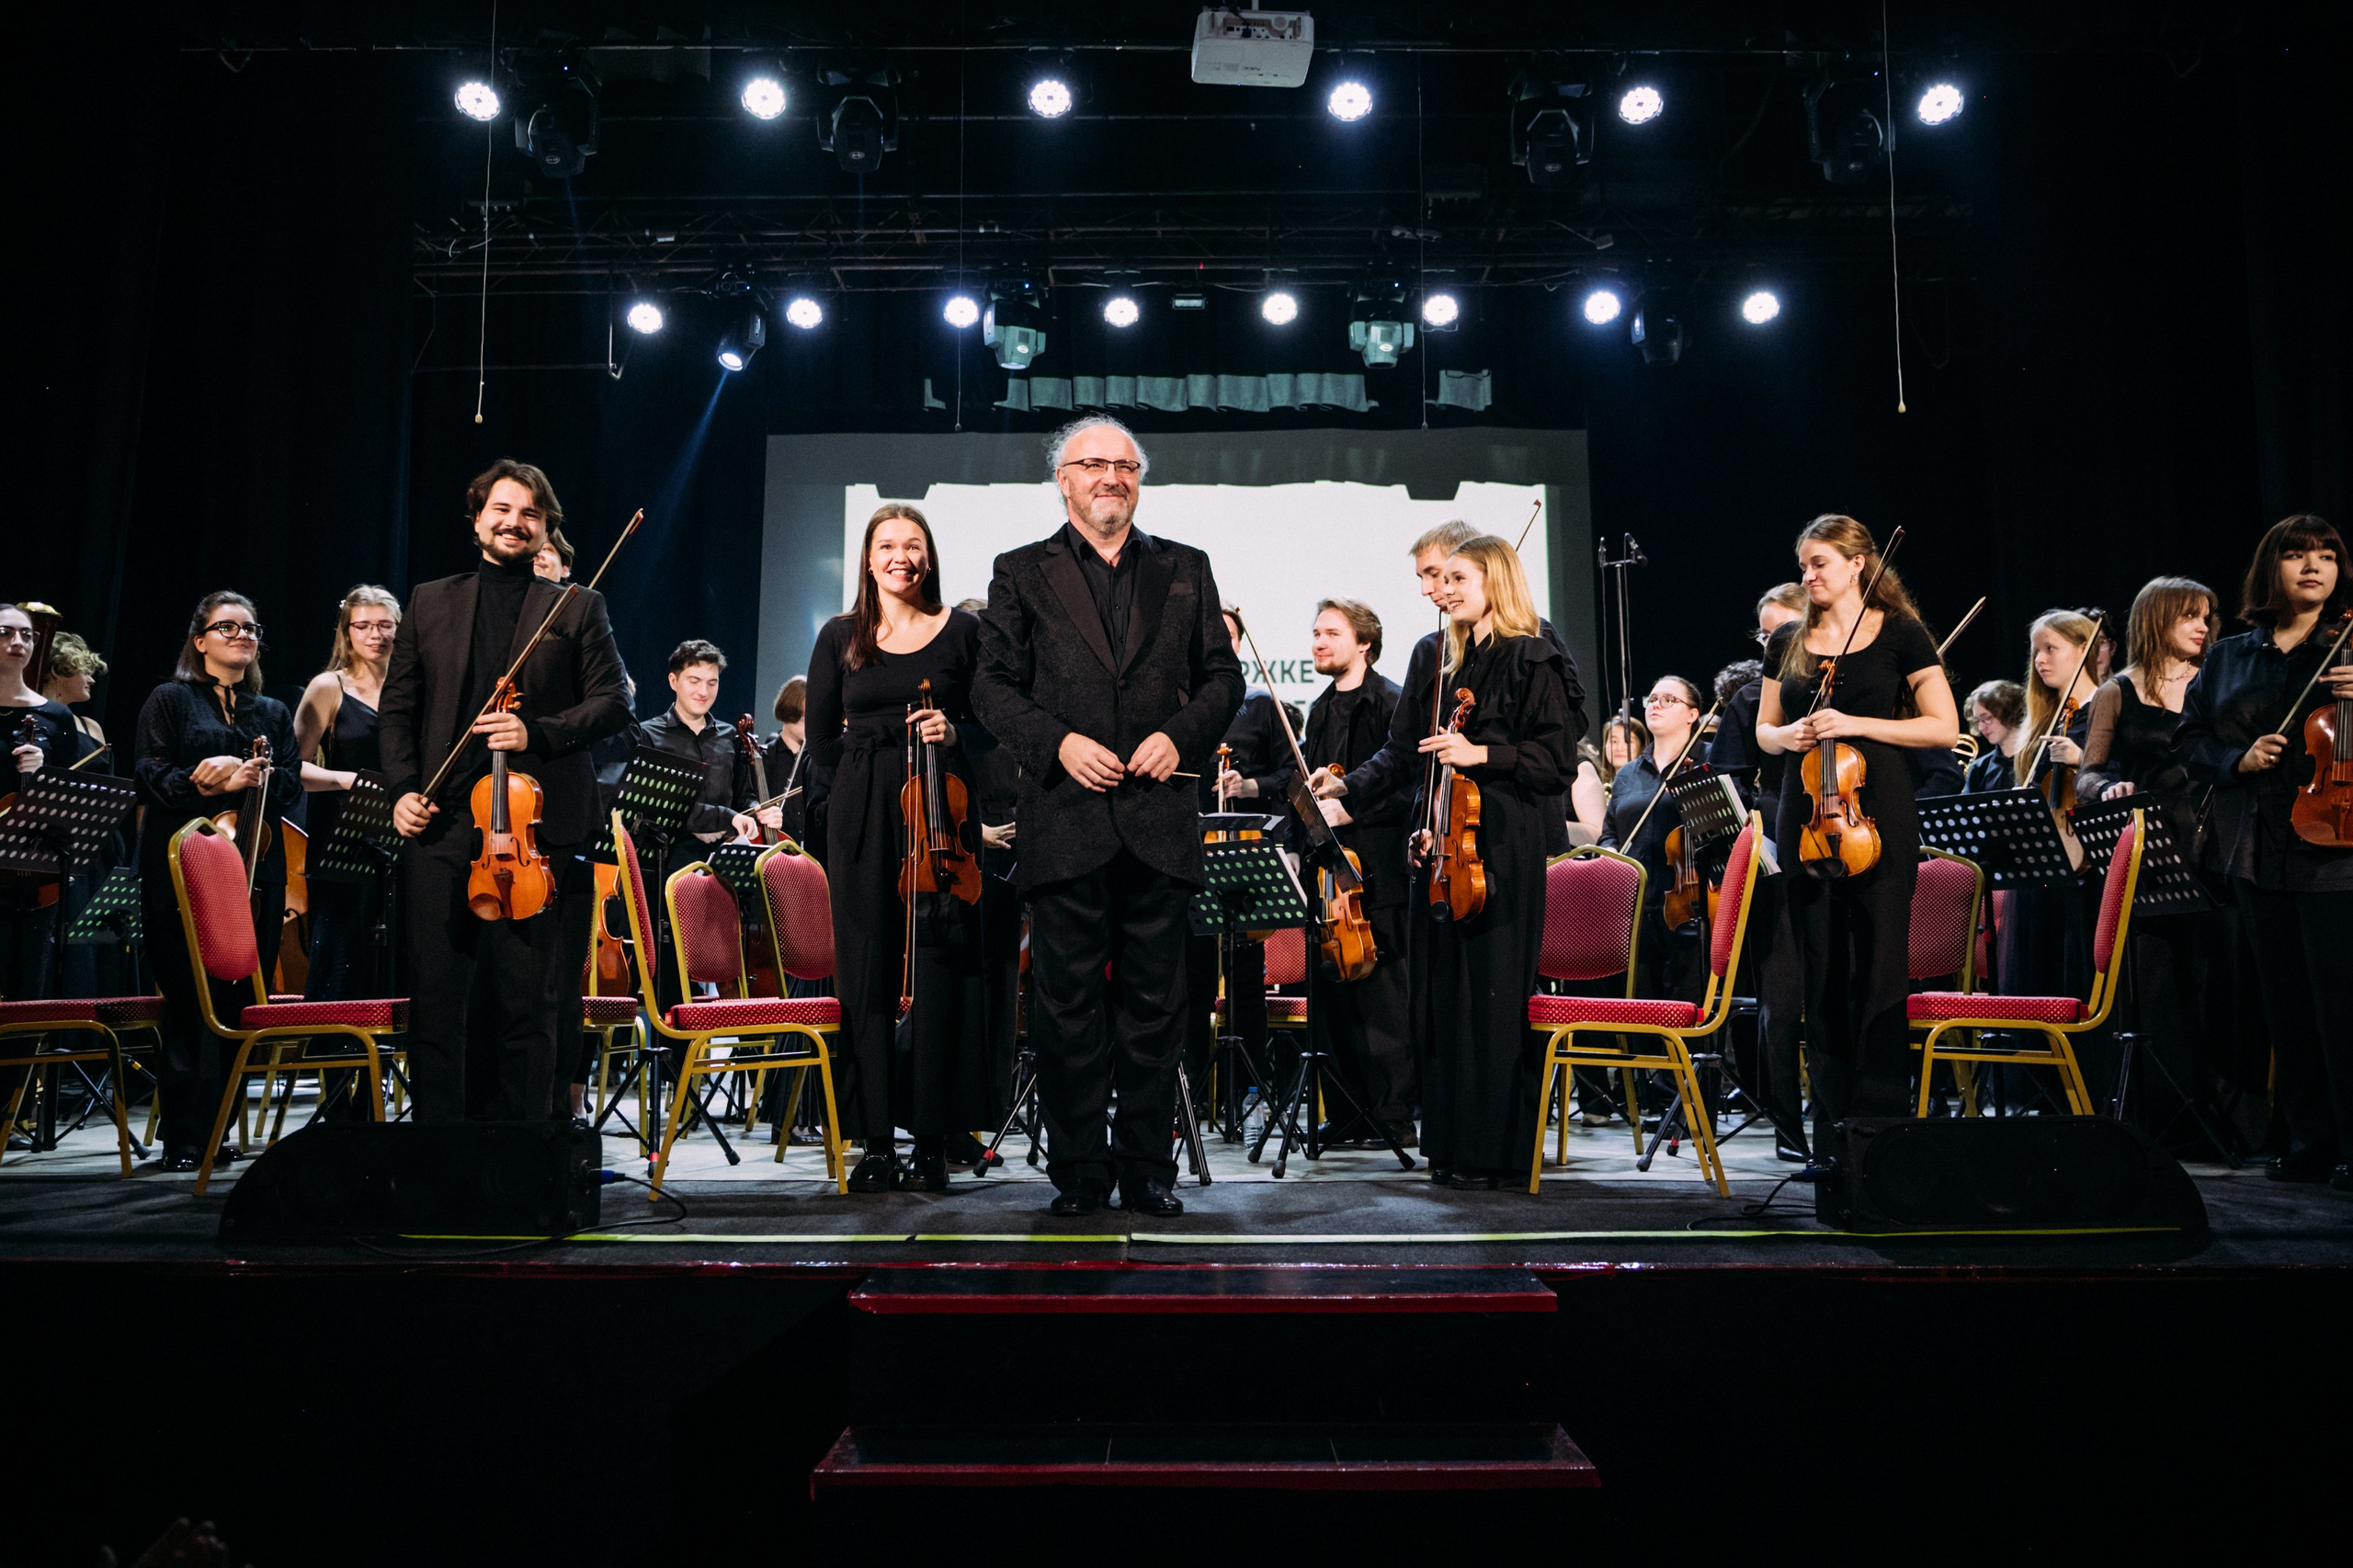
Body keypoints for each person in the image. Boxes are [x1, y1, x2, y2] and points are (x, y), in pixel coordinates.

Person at [971, 415, 1245, 1217]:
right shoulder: (1020, 572)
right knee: (1066, 1017)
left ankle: (1147, 1174)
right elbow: (991, 688)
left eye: (1126, 467)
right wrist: (1057, 744)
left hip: (1158, 822)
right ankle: (1081, 1176)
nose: (1111, 478)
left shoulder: (1187, 568)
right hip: (1065, 820)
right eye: (1094, 465)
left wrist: (1178, 735)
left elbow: (1222, 681)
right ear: (1064, 480)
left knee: (1157, 1015)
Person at [378, 459, 632, 1124]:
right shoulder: (431, 600)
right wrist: (402, 788)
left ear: (546, 527)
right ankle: (439, 1151)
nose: (514, 522)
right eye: (502, 509)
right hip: (439, 824)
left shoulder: (576, 607)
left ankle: (520, 1156)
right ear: (477, 520)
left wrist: (536, 733)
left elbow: (613, 704)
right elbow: (398, 710)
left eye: (530, 513)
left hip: (530, 828)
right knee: (437, 998)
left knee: (527, 1000)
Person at [803, 505, 995, 1192]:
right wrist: (869, 760)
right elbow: (819, 743)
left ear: (930, 557)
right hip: (862, 807)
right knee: (869, 968)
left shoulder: (963, 633)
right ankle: (876, 1140)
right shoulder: (839, 637)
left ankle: (934, 1140)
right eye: (887, 545)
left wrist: (956, 733)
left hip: (941, 810)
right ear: (868, 556)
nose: (900, 557)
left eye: (913, 546)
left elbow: (993, 726)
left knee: (941, 965)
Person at [1756, 516, 1959, 1154]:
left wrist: (1861, 723)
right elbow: (1764, 728)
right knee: (1819, 964)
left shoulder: (1901, 632)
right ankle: (1831, 1130)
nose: (1807, 575)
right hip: (1807, 806)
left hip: (1880, 805)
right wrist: (1787, 737)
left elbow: (1941, 727)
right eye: (1804, 565)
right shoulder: (1787, 639)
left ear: (1857, 565)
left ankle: (1880, 1123)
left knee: (1878, 962)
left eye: (1818, 563)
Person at [2177, 515, 2353, 1187]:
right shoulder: (2227, 657)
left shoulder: (2349, 646)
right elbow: (2189, 742)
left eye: (2327, 555)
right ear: (2269, 569)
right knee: (2287, 1005)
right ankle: (2307, 1140)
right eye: (2296, 554)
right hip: (2255, 846)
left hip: (2338, 844)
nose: (2313, 565)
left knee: (2343, 1006)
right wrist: (2235, 757)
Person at [1412, 535, 1577, 1188]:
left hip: (1508, 839)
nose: (1444, 590)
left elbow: (1556, 761)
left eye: (1458, 578)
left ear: (1495, 582)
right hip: (1460, 842)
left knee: (1497, 996)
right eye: (1441, 580)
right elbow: (1438, 763)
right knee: (1455, 997)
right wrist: (1430, 827)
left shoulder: (1533, 655)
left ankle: (1499, 1151)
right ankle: (1455, 1147)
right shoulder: (1456, 665)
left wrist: (1482, 756)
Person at [131, 592, 302, 1169]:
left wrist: (258, 778)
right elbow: (151, 777)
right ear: (199, 640)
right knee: (188, 997)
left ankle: (219, 1128)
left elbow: (290, 788)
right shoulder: (171, 699)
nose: (240, 635)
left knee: (237, 1000)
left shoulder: (272, 712)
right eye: (225, 627)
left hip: (257, 865)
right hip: (184, 866)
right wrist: (208, 784)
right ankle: (184, 1135)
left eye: (250, 627)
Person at [2078, 575, 2231, 1145]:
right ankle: (2164, 1124)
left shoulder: (2216, 682)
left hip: (2213, 850)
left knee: (2216, 985)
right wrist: (2107, 788)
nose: (2202, 626)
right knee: (2156, 990)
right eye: (2188, 615)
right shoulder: (2118, 690)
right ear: (2154, 620)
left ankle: (2222, 1116)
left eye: (2206, 615)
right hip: (2152, 858)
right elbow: (2090, 773)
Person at [1267, 597, 1415, 1146]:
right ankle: (1348, 1110)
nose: (1318, 643)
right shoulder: (1322, 709)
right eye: (1315, 633)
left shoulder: (1392, 704)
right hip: (1329, 876)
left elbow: (1408, 786)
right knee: (1333, 998)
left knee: (1382, 997)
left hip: (1377, 869)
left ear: (1364, 643)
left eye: (1331, 633)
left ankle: (1393, 1113)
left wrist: (1351, 808)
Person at [292, 585, 402, 1006]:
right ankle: (333, 1061)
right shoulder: (328, 686)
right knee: (343, 952)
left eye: (385, 625)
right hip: (345, 831)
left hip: (401, 829)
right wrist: (347, 780)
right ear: (347, 632)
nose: (375, 635)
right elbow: (294, 769)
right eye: (364, 626)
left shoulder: (413, 688)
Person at [1999, 609, 2101, 1019]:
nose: (2040, 660)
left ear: (2083, 650)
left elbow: (2124, 778)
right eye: (2035, 651)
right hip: (2039, 860)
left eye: (2051, 649)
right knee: (2034, 970)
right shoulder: (2043, 717)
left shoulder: (2105, 706)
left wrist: (2083, 758)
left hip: (2086, 862)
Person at [1600, 676, 1711, 1002]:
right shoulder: (1628, 774)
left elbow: (1723, 830)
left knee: (1686, 1002)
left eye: (1669, 699)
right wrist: (1610, 855)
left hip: (1689, 903)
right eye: (1652, 698)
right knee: (1639, 1003)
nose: (1656, 704)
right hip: (1634, 907)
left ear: (1692, 714)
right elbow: (1610, 832)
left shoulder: (1709, 761)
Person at [765, 675, 811, 846]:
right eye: (805, 717)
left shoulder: (818, 761)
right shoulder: (765, 758)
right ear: (789, 711)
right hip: (777, 851)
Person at [1963, 679, 2027, 793]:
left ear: (2010, 713)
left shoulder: (2038, 760)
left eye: (1987, 718)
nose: (1981, 728)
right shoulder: (1979, 768)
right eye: (1978, 721)